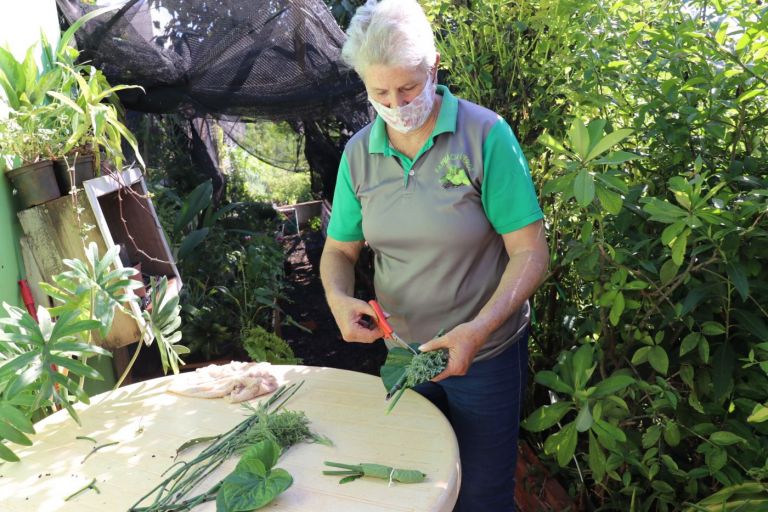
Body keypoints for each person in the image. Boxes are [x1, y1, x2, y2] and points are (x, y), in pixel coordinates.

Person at [319, 0, 549, 510]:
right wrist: (337, 298)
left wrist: (478, 329)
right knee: (415, 483)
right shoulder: (358, 154)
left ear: (434, 66)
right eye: (380, 92)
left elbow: (531, 252)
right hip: (403, 354)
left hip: (485, 354)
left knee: (483, 494)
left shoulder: (485, 135)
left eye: (408, 87)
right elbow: (339, 250)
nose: (396, 104)